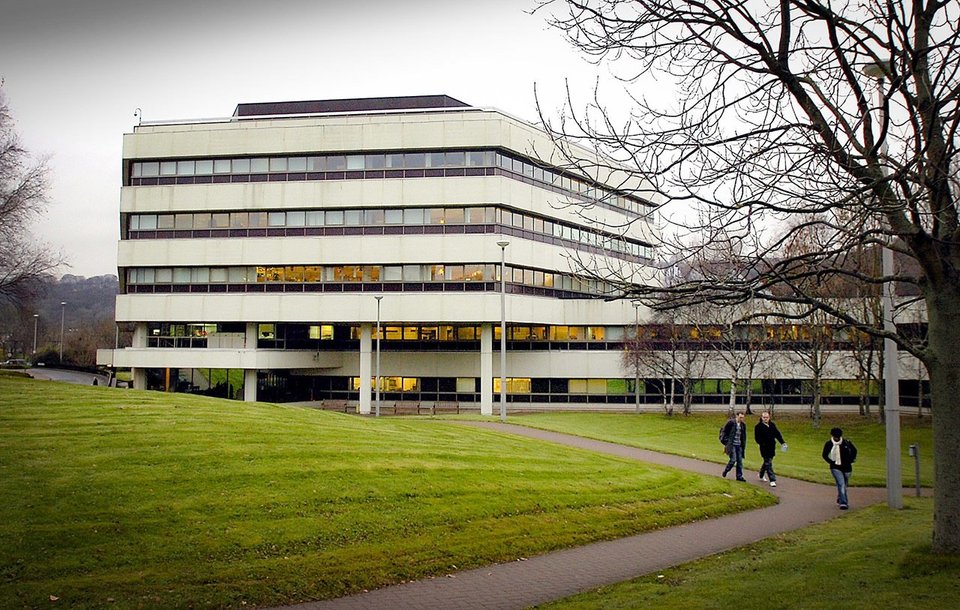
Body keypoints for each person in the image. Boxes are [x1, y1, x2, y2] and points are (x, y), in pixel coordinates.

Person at [822, 427, 858, 509]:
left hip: (847, 467)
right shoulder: (829, 444)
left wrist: (851, 460)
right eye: (835, 437)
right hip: (835, 467)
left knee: (843, 485)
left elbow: (854, 451)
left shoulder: (846, 443)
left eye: (838, 437)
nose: (836, 438)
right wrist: (831, 462)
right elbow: (824, 455)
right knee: (841, 483)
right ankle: (843, 503)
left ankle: (840, 497)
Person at [754, 411, 786, 487]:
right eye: (764, 417)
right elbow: (757, 438)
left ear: (769, 418)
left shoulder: (772, 425)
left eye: (767, 417)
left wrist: (782, 442)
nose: (765, 419)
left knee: (767, 462)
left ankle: (761, 474)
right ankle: (772, 479)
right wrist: (762, 443)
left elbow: (777, 434)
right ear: (761, 418)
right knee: (768, 463)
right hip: (764, 448)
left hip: (771, 447)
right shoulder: (758, 427)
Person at [720, 412, 747, 481]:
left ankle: (739, 476)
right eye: (740, 417)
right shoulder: (731, 423)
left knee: (740, 462)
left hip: (739, 445)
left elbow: (743, 436)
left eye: (742, 418)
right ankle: (726, 471)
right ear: (737, 416)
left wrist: (743, 445)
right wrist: (726, 441)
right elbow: (724, 431)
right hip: (732, 445)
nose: (741, 419)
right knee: (733, 460)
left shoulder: (743, 425)